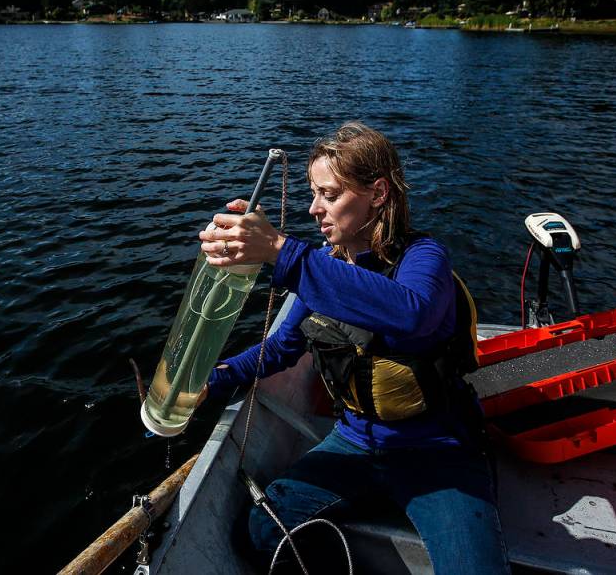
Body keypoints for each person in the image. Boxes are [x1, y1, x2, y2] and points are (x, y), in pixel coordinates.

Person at [198, 122, 510, 573]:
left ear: (378, 194)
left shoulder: (425, 258)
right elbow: (281, 349)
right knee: (263, 531)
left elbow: (413, 313)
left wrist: (283, 253)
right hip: (355, 442)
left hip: (439, 452)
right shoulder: (325, 268)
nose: (314, 210)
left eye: (330, 195)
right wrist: (209, 379)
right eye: (313, 193)